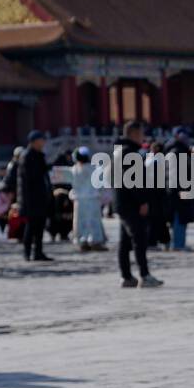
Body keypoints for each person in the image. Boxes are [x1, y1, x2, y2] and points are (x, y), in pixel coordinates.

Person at [115, 120, 163, 288]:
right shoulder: (130, 153)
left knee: (125, 241)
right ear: (134, 134)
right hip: (132, 203)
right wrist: (142, 201)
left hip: (122, 202)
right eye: (141, 133)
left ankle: (126, 276)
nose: (143, 137)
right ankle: (144, 274)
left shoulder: (119, 151)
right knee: (139, 239)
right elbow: (134, 181)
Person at [18, 130, 53, 262]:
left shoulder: (40, 155)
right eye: (41, 140)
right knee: (31, 226)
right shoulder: (26, 156)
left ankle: (38, 252)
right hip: (31, 197)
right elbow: (26, 181)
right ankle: (27, 252)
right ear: (34, 142)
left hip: (41, 196)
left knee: (40, 226)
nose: (43, 142)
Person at [69, 147, 107, 251]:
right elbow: (100, 184)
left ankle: (83, 241)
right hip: (92, 198)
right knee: (93, 220)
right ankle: (95, 240)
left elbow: (72, 185)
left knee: (81, 221)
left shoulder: (73, 169)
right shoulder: (95, 169)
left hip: (79, 199)